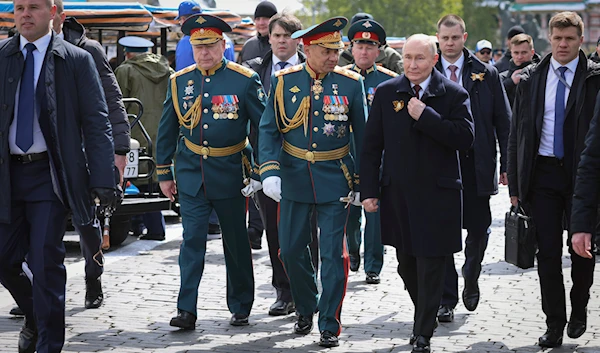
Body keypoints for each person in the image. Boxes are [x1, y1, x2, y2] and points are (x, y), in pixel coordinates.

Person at [0, 0, 119, 350]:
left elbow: (97, 122)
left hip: (50, 175)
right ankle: (36, 318)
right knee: (5, 259)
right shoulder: (3, 55)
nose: (25, 14)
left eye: (33, 7)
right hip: (7, 176)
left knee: (45, 261)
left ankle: (48, 345)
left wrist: (104, 178)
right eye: (19, 7)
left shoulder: (76, 59)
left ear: (53, 11)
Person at [360, 34, 474, 353]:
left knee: (431, 264)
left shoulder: (454, 94)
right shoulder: (386, 93)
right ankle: (427, 310)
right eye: (407, 57)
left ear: (434, 59)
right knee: (406, 265)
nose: (412, 64)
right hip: (398, 196)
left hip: (438, 196)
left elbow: (465, 138)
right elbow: (371, 147)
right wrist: (368, 189)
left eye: (420, 58)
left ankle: (422, 331)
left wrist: (426, 116)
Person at [259, 16, 367, 347]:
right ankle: (306, 306)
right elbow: (268, 129)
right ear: (306, 49)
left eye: (337, 50)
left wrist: (364, 182)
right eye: (326, 51)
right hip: (293, 177)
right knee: (290, 249)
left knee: (334, 255)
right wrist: (270, 170)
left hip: (335, 177)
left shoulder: (351, 84)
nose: (334, 57)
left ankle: (329, 322)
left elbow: (362, 136)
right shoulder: (283, 81)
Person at [156, 13, 266, 330]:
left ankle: (241, 304)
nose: (204, 53)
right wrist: (164, 172)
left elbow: (262, 129)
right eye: (198, 46)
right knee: (192, 241)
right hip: (191, 174)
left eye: (210, 46)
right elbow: (166, 130)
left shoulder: (244, 80)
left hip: (230, 173)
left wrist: (261, 170)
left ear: (222, 44)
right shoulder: (180, 82)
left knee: (236, 243)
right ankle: (186, 308)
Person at [508, 11, 600, 347]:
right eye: (558, 39)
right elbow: (517, 133)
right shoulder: (532, 79)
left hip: (581, 175)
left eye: (570, 39)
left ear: (580, 41)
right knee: (546, 253)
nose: (563, 45)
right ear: (549, 38)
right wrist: (516, 185)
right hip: (543, 174)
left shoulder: (594, 79)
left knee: (582, 251)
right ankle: (554, 324)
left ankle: (579, 309)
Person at [52, 0, 130, 310]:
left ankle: (92, 275)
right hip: (44, 154)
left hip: (82, 150)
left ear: (58, 14)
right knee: (40, 224)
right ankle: (39, 286)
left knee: (86, 223)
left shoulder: (88, 50)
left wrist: (119, 148)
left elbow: (111, 99)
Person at [435, 14, 511, 323]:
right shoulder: (425, 69)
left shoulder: (486, 73)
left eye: (455, 37)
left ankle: (472, 271)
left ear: (465, 37)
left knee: (478, 228)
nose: (450, 43)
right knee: (441, 233)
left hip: (476, 161)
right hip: (438, 164)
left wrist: (508, 162)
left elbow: (503, 121)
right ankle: (446, 297)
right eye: (445, 38)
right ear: (438, 39)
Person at [242, 12, 318, 316]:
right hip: (266, 164)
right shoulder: (254, 71)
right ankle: (283, 291)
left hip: (306, 164)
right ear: (269, 38)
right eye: (277, 36)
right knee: (274, 231)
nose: (282, 41)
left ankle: (307, 288)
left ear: (297, 40)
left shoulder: (314, 68)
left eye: (288, 36)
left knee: (307, 230)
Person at [342, 19, 398, 284]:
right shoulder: (339, 80)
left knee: (373, 211)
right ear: (351, 48)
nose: (364, 52)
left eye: (370, 47)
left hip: (377, 156)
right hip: (347, 154)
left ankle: (373, 264)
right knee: (349, 213)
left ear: (379, 51)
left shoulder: (390, 82)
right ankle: (353, 250)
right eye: (359, 46)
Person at [115, 36, 173, 241]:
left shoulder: (125, 70)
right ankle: (144, 226)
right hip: (164, 132)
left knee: (136, 181)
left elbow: (118, 102)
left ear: (127, 53)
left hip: (137, 132)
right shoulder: (168, 70)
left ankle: (151, 227)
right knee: (155, 178)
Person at [175, 0, 235, 70]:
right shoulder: (224, 38)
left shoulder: (186, 40)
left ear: (183, 19)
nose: (204, 52)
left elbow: (183, 71)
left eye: (210, 46)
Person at [338, 12, 403, 74]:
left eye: (369, 48)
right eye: (360, 47)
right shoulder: (344, 56)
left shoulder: (390, 55)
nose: (364, 52)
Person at [499, 33, 539, 108]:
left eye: (524, 52)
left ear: (532, 52)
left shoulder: (542, 74)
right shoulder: (502, 78)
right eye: (516, 53)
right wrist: (511, 82)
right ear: (511, 53)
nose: (519, 57)